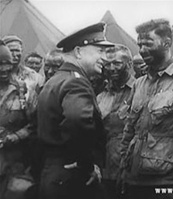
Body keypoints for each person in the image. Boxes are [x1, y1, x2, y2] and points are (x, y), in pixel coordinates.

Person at [119, 19, 173, 199]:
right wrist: (123, 167)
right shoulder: (139, 84)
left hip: (168, 182)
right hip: (135, 179)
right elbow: (129, 130)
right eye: (140, 45)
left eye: (148, 43)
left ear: (167, 43)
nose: (142, 50)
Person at [37, 22, 114, 199]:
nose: (105, 58)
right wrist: (85, 163)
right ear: (79, 52)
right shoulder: (76, 82)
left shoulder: (55, 80)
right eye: (100, 51)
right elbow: (78, 120)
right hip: (72, 176)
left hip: (54, 173)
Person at [97, 44, 136, 199]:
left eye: (117, 64)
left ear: (129, 65)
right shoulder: (101, 95)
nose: (112, 68)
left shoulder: (140, 90)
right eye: (108, 64)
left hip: (131, 168)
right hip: (104, 166)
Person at [0, 40, 37, 199]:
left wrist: (15, 137)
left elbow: (35, 124)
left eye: (7, 63)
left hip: (14, 163)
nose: (3, 69)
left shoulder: (24, 90)